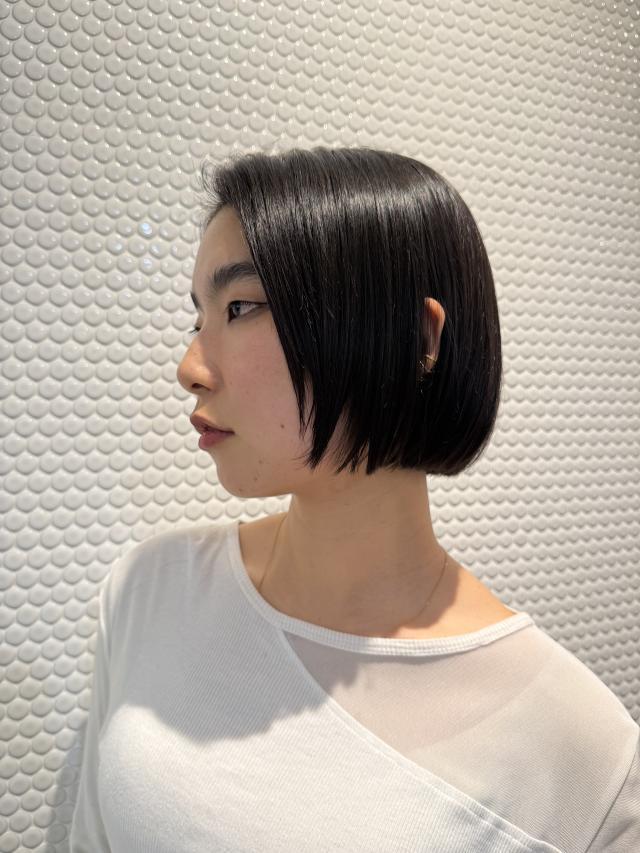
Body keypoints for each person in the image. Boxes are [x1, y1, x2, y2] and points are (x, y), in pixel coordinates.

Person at [70, 147, 639, 851]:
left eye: (240, 307)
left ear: (418, 337)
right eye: (199, 318)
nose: (190, 368)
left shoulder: (585, 757)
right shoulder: (148, 591)